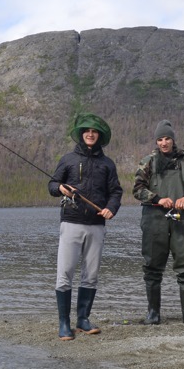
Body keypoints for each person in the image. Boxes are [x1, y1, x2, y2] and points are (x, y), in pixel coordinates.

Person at [48, 113, 123, 340]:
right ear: (81, 134)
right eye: (86, 131)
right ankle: (64, 323)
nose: (90, 134)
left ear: (99, 136)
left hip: (97, 225)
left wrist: (111, 208)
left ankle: (83, 319)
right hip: (71, 222)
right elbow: (52, 184)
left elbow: (116, 192)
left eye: (94, 131)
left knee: (90, 275)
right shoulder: (68, 159)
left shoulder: (107, 164)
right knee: (65, 274)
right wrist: (61, 189)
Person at [132, 119, 184, 324]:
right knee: (152, 266)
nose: (164, 143)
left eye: (167, 138)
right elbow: (137, 189)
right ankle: (153, 314)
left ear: (173, 140)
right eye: (160, 139)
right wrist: (157, 199)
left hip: (182, 220)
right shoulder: (148, 161)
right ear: (156, 142)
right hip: (154, 220)